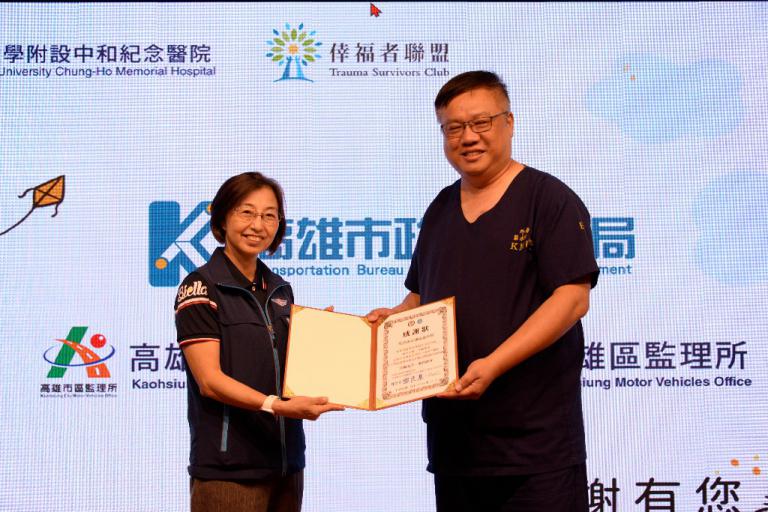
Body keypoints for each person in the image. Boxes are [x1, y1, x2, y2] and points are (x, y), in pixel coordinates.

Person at [367, 71, 599, 511]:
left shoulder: (548, 199)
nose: (468, 137)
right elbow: (421, 298)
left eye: (481, 122)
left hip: (536, 448)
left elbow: (572, 299)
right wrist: (391, 321)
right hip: (456, 446)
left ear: (509, 123)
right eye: (453, 128)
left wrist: (493, 365)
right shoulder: (440, 209)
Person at [175, 172, 343, 512]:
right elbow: (210, 381)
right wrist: (276, 406)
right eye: (246, 212)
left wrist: (323, 338)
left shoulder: (280, 289)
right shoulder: (200, 287)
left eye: (269, 215)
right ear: (223, 218)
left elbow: (288, 366)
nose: (258, 225)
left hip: (286, 466)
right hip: (229, 471)